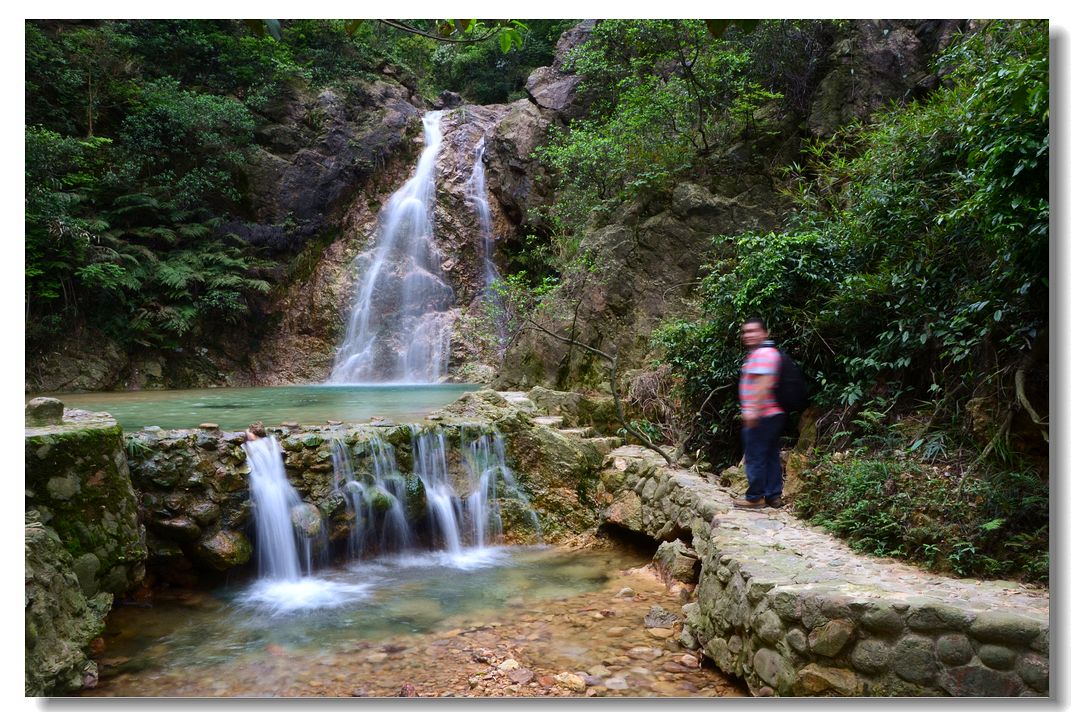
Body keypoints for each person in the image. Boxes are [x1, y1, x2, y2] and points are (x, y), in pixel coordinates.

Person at [734, 317, 785, 509]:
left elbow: (764, 384)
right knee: (770, 454)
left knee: (755, 454)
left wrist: (753, 411)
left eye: (753, 331)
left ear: (765, 333)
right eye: (745, 332)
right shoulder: (765, 353)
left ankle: (755, 497)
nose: (748, 335)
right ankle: (773, 495)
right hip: (772, 413)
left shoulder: (764, 354)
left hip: (762, 413)